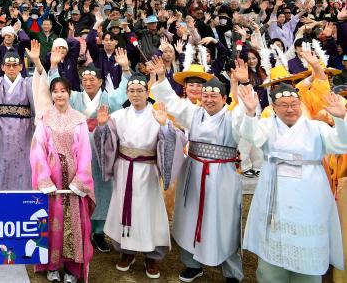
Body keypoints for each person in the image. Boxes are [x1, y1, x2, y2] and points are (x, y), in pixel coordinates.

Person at [236, 80, 347, 282]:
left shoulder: (316, 128)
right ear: (274, 108)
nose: (290, 109)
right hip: (274, 191)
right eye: (284, 105)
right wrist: (250, 113)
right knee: (273, 244)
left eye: (294, 104)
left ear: (300, 104)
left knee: (308, 244)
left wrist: (341, 118)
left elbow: (341, 143)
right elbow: (251, 136)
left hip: (309, 194)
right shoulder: (267, 125)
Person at [150, 58, 244, 283]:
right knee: (189, 216)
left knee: (224, 220)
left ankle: (231, 270)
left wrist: (243, 83)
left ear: (224, 98)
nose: (209, 100)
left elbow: (249, 127)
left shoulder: (233, 118)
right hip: (193, 172)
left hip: (222, 177)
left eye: (214, 96)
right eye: (206, 96)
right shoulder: (193, 113)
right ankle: (192, 264)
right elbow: (170, 101)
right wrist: (162, 77)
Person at [94, 72, 183, 279]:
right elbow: (105, 143)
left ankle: (152, 255)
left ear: (147, 92)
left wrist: (164, 126)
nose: (135, 95)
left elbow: (174, 139)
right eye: (132, 91)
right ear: (127, 93)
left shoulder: (157, 114)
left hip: (148, 169)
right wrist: (101, 127)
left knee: (148, 210)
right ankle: (127, 252)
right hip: (124, 168)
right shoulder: (118, 116)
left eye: (140, 91)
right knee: (124, 208)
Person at [50, 50, 131, 254]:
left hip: (101, 149)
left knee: (103, 186)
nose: (88, 82)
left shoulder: (108, 99)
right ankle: (79, 225)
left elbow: (124, 91)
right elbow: (55, 89)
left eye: (92, 79)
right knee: (77, 185)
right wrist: (53, 66)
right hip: (76, 148)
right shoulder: (74, 97)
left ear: (101, 81)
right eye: (84, 78)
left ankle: (98, 231)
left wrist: (125, 68)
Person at [29, 76, 94, 283]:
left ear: (70, 93)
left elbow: (85, 152)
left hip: (74, 180)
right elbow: (37, 149)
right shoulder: (44, 119)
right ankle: (53, 266)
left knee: (74, 223)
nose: (59, 94)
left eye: (63, 90)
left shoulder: (79, 119)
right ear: (51, 94)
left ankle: (72, 268)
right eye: (55, 91)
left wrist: (80, 180)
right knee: (52, 223)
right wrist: (44, 179)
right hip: (52, 179)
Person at [0, 36, 47, 190]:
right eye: (8, 65)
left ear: (21, 67)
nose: (12, 68)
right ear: (2, 67)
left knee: (24, 168)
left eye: (15, 65)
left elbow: (41, 85)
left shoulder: (27, 83)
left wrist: (37, 62)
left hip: (24, 134)